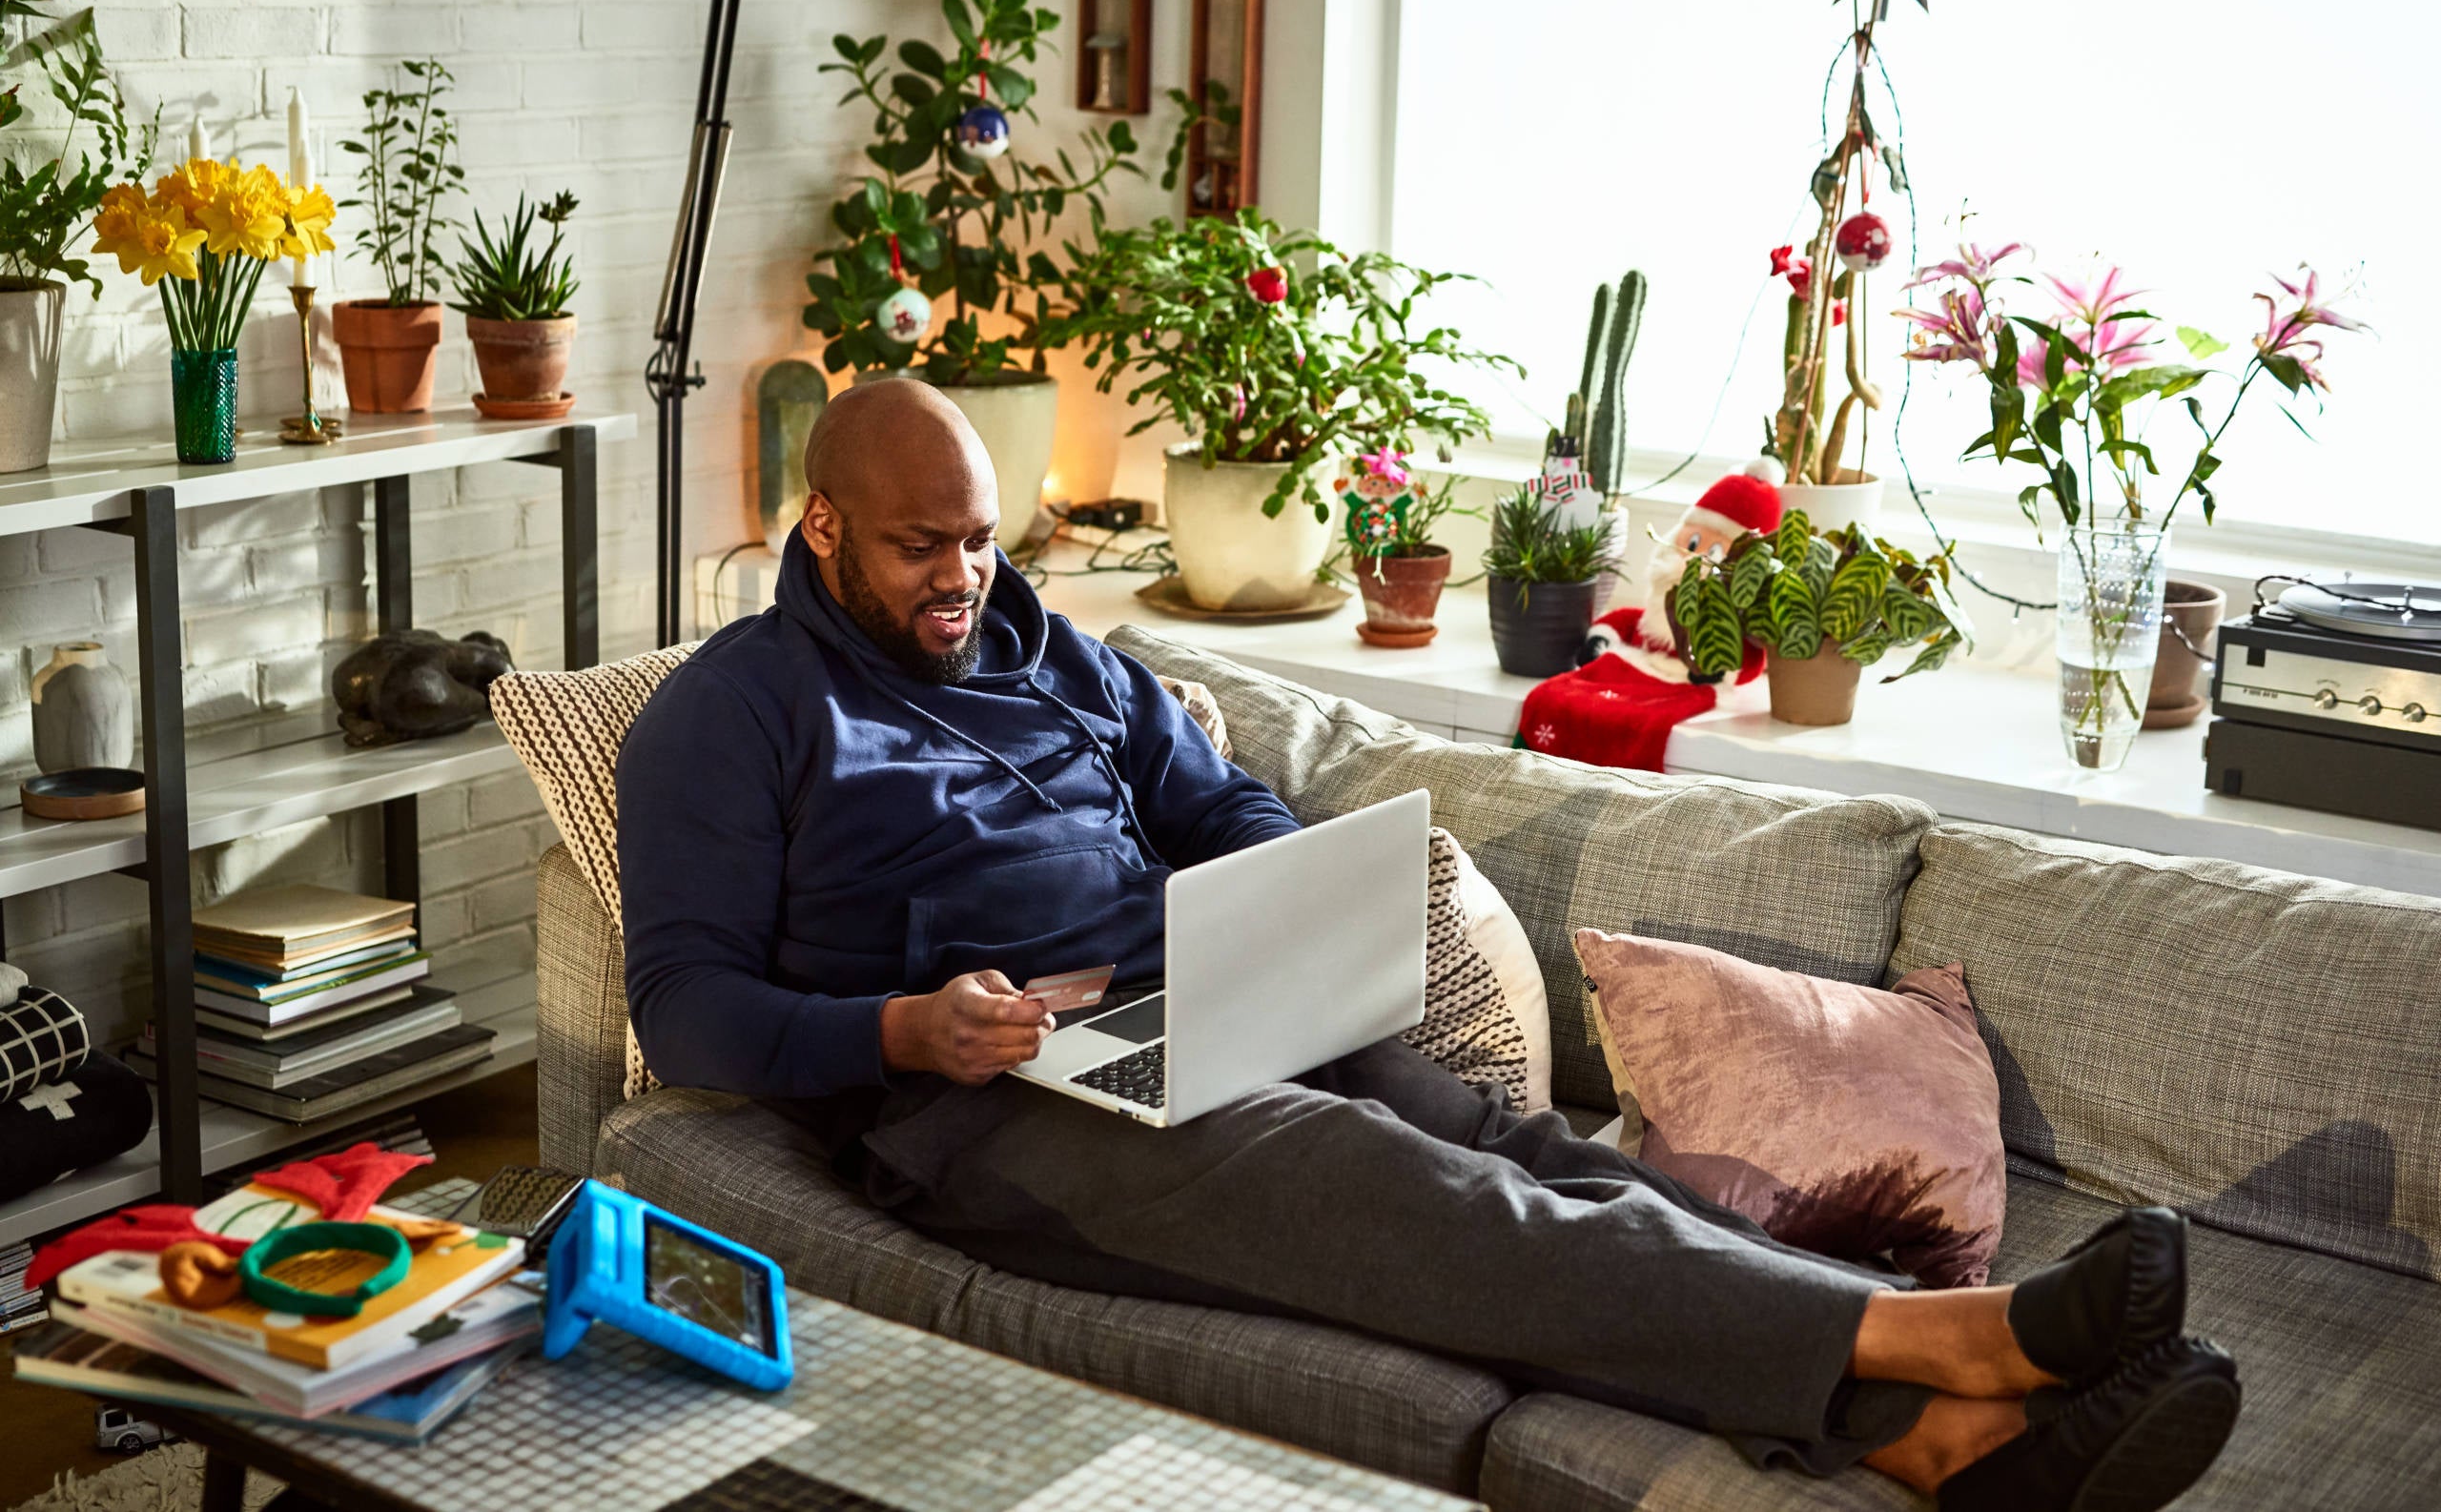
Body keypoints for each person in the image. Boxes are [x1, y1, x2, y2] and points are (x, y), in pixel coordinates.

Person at [617, 379, 2240, 1510]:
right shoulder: (736, 716)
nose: (966, 578)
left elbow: (1229, 808)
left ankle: (1938, 1448)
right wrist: (910, 1031)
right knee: (1432, 1203)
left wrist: (1270, 916)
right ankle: (1952, 1338)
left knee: (1534, 1148)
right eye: (923, 548)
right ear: (819, 529)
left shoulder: (1060, 656)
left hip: (1207, 1007)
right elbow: (685, 1012)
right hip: (990, 1105)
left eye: (982, 538)